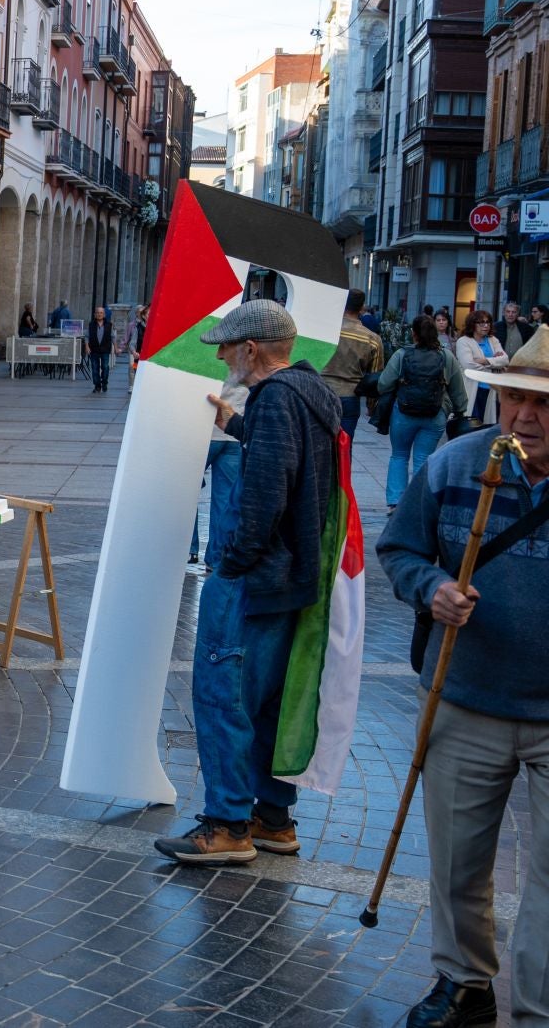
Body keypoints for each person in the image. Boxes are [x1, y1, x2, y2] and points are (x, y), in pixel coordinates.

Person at [376, 328, 549, 1028]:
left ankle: (539, 1009)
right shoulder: (455, 464)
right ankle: (464, 982)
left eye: (543, 404)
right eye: (512, 399)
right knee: (457, 857)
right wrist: (433, 589)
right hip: (465, 693)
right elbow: (401, 549)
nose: (524, 417)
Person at [154, 299, 339, 866]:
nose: (221, 358)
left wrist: (232, 562)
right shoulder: (311, 392)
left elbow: (265, 493)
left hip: (255, 577)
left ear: (251, 349)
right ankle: (272, 819)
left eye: (227, 348)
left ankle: (228, 825)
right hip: (291, 577)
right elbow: (283, 455)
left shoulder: (275, 398)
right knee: (267, 703)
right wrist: (232, 422)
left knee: (223, 698)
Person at [379, 316, 469, 510]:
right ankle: (418, 504)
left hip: (403, 413)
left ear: (414, 334)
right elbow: (458, 389)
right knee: (423, 458)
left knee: (399, 456)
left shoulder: (402, 354)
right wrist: (460, 410)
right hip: (435, 415)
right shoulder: (446, 356)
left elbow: (384, 384)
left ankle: (395, 502)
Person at [189, 376, 248, 569]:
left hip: (201, 430)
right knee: (224, 500)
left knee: (185, 492)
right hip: (234, 431)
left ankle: (189, 549)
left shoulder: (205, 357)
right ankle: (216, 558)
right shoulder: (251, 358)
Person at [320, 288, 384, 440]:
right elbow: (375, 378)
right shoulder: (372, 339)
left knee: (318, 443)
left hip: (322, 392)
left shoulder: (325, 332)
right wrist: (371, 406)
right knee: (345, 445)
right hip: (350, 396)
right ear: (361, 308)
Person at [456, 310, 509, 425]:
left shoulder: (493, 340)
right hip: (473, 389)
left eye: (488, 322)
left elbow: (505, 359)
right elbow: (468, 366)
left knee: (488, 424)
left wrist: (484, 361)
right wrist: (495, 365)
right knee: (473, 424)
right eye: (481, 323)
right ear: (472, 324)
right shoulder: (463, 341)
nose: (485, 325)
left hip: (492, 389)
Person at [86, 305, 114, 393]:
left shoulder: (109, 325)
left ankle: (104, 383)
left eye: (101, 313)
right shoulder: (91, 325)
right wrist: (87, 346)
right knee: (95, 368)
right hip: (94, 349)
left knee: (105, 367)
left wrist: (116, 348)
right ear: (95, 314)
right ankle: (97, 386)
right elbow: (87, 336)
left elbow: (113, 337)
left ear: (104, 314)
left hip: (105, 349)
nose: (99, 314)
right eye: (97, 313)